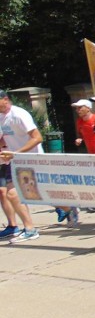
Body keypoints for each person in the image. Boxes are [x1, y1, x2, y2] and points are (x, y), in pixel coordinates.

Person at [0, 90, 43, 241]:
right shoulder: (1, 117)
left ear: (5, 99)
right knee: (11, 194)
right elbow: (5, 139)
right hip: (15, 161)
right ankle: (28, 229)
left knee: (43, 195)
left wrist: (16, 152)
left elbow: (37, 138)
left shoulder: (19, 114)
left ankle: (68, 209)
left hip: (32, 159)